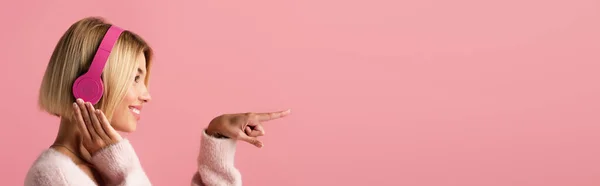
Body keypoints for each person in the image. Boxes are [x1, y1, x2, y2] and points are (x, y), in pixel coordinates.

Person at [24, 17, 291, 186]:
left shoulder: (100, 167)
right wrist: (123, 165)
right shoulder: (53, 176)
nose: (146, 95)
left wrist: (216, 135)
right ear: (90, 87)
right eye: (135, 78)